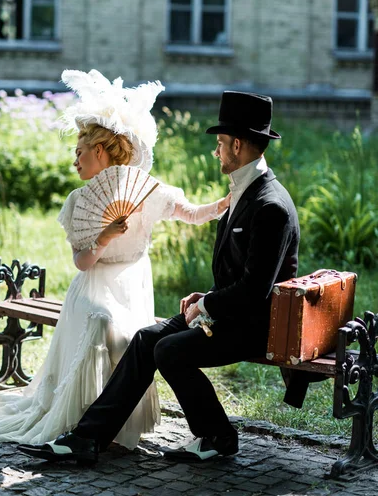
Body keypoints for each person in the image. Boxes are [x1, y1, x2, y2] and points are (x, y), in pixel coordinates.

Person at [18, 89, 300, 464]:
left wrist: (206, 304)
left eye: (219, 144)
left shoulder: (271, 206)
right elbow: (238, 272)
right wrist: (207, 296)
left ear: (236, 145)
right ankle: (87, 439)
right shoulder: (245, 194)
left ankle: (217, 435)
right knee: (146, 338)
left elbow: (254, 291)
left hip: (253, 326)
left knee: (169, 350)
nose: (215, 152)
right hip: (230, 314)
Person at [0, 70, 229, 450]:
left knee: (128, 334)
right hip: (93, 285)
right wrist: (104, 236)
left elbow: (191, 212)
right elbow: (81, 262)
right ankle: (81, 419)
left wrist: (223, 205)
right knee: (102, 321)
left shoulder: (146, 191)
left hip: (132, 283)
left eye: (79, 153)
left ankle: (114, 424)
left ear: (100, 151)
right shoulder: (79, 202)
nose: (75, 162)